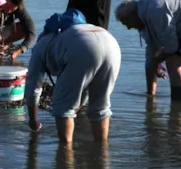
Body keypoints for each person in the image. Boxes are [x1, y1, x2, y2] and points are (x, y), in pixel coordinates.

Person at [26, 9, 121, 144]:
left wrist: (33, 120)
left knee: (63, 109)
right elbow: (87, 86)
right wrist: (77, 106)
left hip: (82, 47)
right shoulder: (73, 32)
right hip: (111, 42)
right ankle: (101, 153)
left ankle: (66, 157)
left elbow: (32, 88)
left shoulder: (41, 45)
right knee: (101, 107)